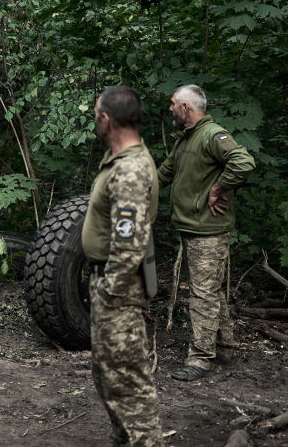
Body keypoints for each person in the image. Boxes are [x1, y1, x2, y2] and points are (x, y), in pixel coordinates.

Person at [82, 86, 164, 446]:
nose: (94, 121)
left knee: (129, 385)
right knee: (109, 377)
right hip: (112, 287)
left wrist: (109, 290)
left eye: (96, 115)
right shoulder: (123, 162)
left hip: (119, 290)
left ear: (106, 119)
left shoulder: (130, 169)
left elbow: (129, 245)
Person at [158, 84, 255, 381]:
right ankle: (224, 348)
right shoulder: (186, 140)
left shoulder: (213, 135)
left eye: (174, 104)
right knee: (210, 291)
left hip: (208, 230)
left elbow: (244, 162)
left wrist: (218, 187)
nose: (170, 108)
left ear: (186, 107)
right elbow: (164, 173)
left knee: (201, 296)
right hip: (192, 226)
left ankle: (200, 359)